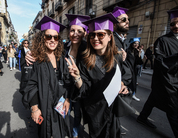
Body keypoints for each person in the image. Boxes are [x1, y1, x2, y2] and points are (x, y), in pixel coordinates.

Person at [66, 13, 130, 138]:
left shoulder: (117, 56)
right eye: (92, 35)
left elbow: (125, 75)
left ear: (110, 37)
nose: (95, 38)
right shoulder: (86, 60)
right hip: (95, 111)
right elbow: (84, 89)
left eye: (100, 34)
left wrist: (123, 84)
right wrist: (77, 77)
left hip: (112, 109)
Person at [20, 16, 73, 138]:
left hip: (60, 105)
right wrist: (34, 108)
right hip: (44, 106)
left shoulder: (61, 58)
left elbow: (67, 81)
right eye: (49, 36)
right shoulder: (35, 59)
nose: (53, 40)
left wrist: (67, 99)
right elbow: (29, 86)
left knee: (61, 132)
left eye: (56, 37)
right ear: (42, 38)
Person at [137, 9, 178, 137]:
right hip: (167, 81)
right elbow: (160, 62)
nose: (175, 26)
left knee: (153, 99)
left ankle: (142, 117)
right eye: (172, 24)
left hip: (170, 82)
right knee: (173, 109)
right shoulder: (162, 41)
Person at [65, 14, 90, 138]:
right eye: (72, 30)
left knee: (78, 116)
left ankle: (74, 134)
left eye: (79, 31)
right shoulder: (63, 49)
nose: (75, 34)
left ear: (85, 33)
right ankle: (65, 131)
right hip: (64, 89)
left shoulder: (88, 50)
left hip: (79, 89)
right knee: (65, 113)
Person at [126, 37, 143, 101]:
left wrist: (139, 54)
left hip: (134, 70)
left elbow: (139, 62)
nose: (136, 45)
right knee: (128, 82)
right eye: (135, 43)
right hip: (128, 69)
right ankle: (127, 94)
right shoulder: (128, 51)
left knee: (134, 83)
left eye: (138, 43)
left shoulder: (136, 51)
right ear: (132, 43)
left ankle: (133, 94)